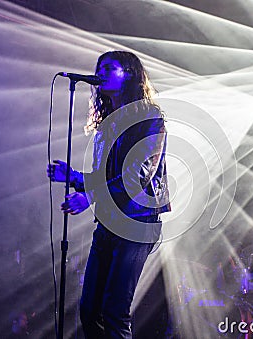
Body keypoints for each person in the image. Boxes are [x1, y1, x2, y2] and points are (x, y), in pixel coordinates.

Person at [47, 50, 171, 338]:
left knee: (115, 312)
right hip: (108, 224)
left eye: (109, 67)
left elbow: (138, 176)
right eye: (99, 66)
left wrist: (90, 196)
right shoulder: (108, 124)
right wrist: (75, 178)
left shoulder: (150, 119)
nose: (100, 71)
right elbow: (106, 179)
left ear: (128, 73)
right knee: (90, 311)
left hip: (137, 224)